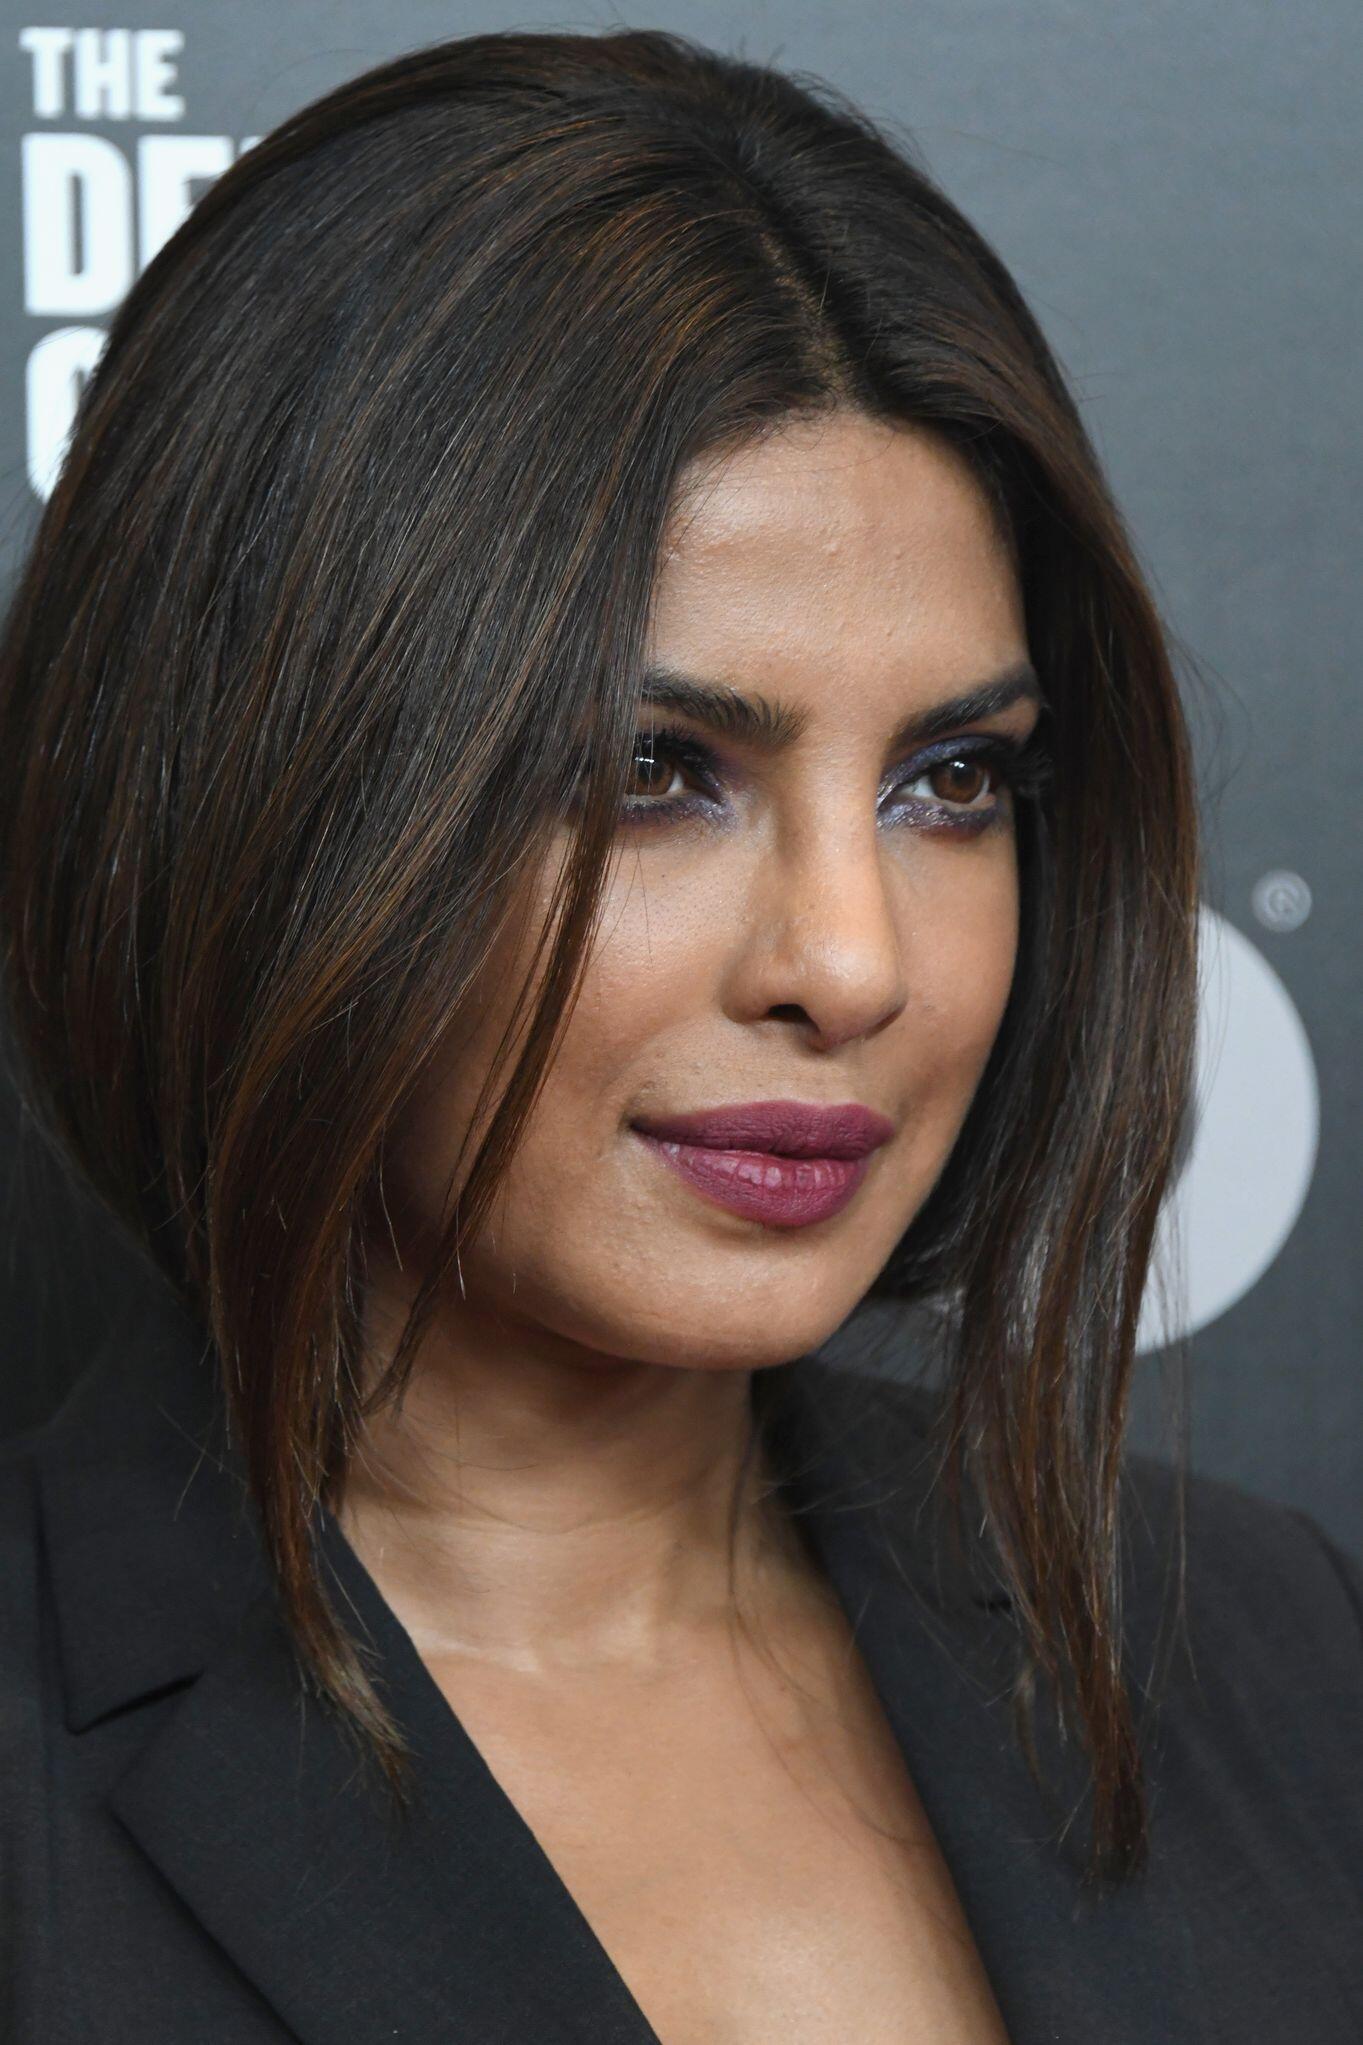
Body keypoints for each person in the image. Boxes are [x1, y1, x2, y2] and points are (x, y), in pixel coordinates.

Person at [1, 27, 1359, 2044]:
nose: (852, 962)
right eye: (655, 770)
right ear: (271, 791)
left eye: (950, 784)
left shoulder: (1284, 1656)